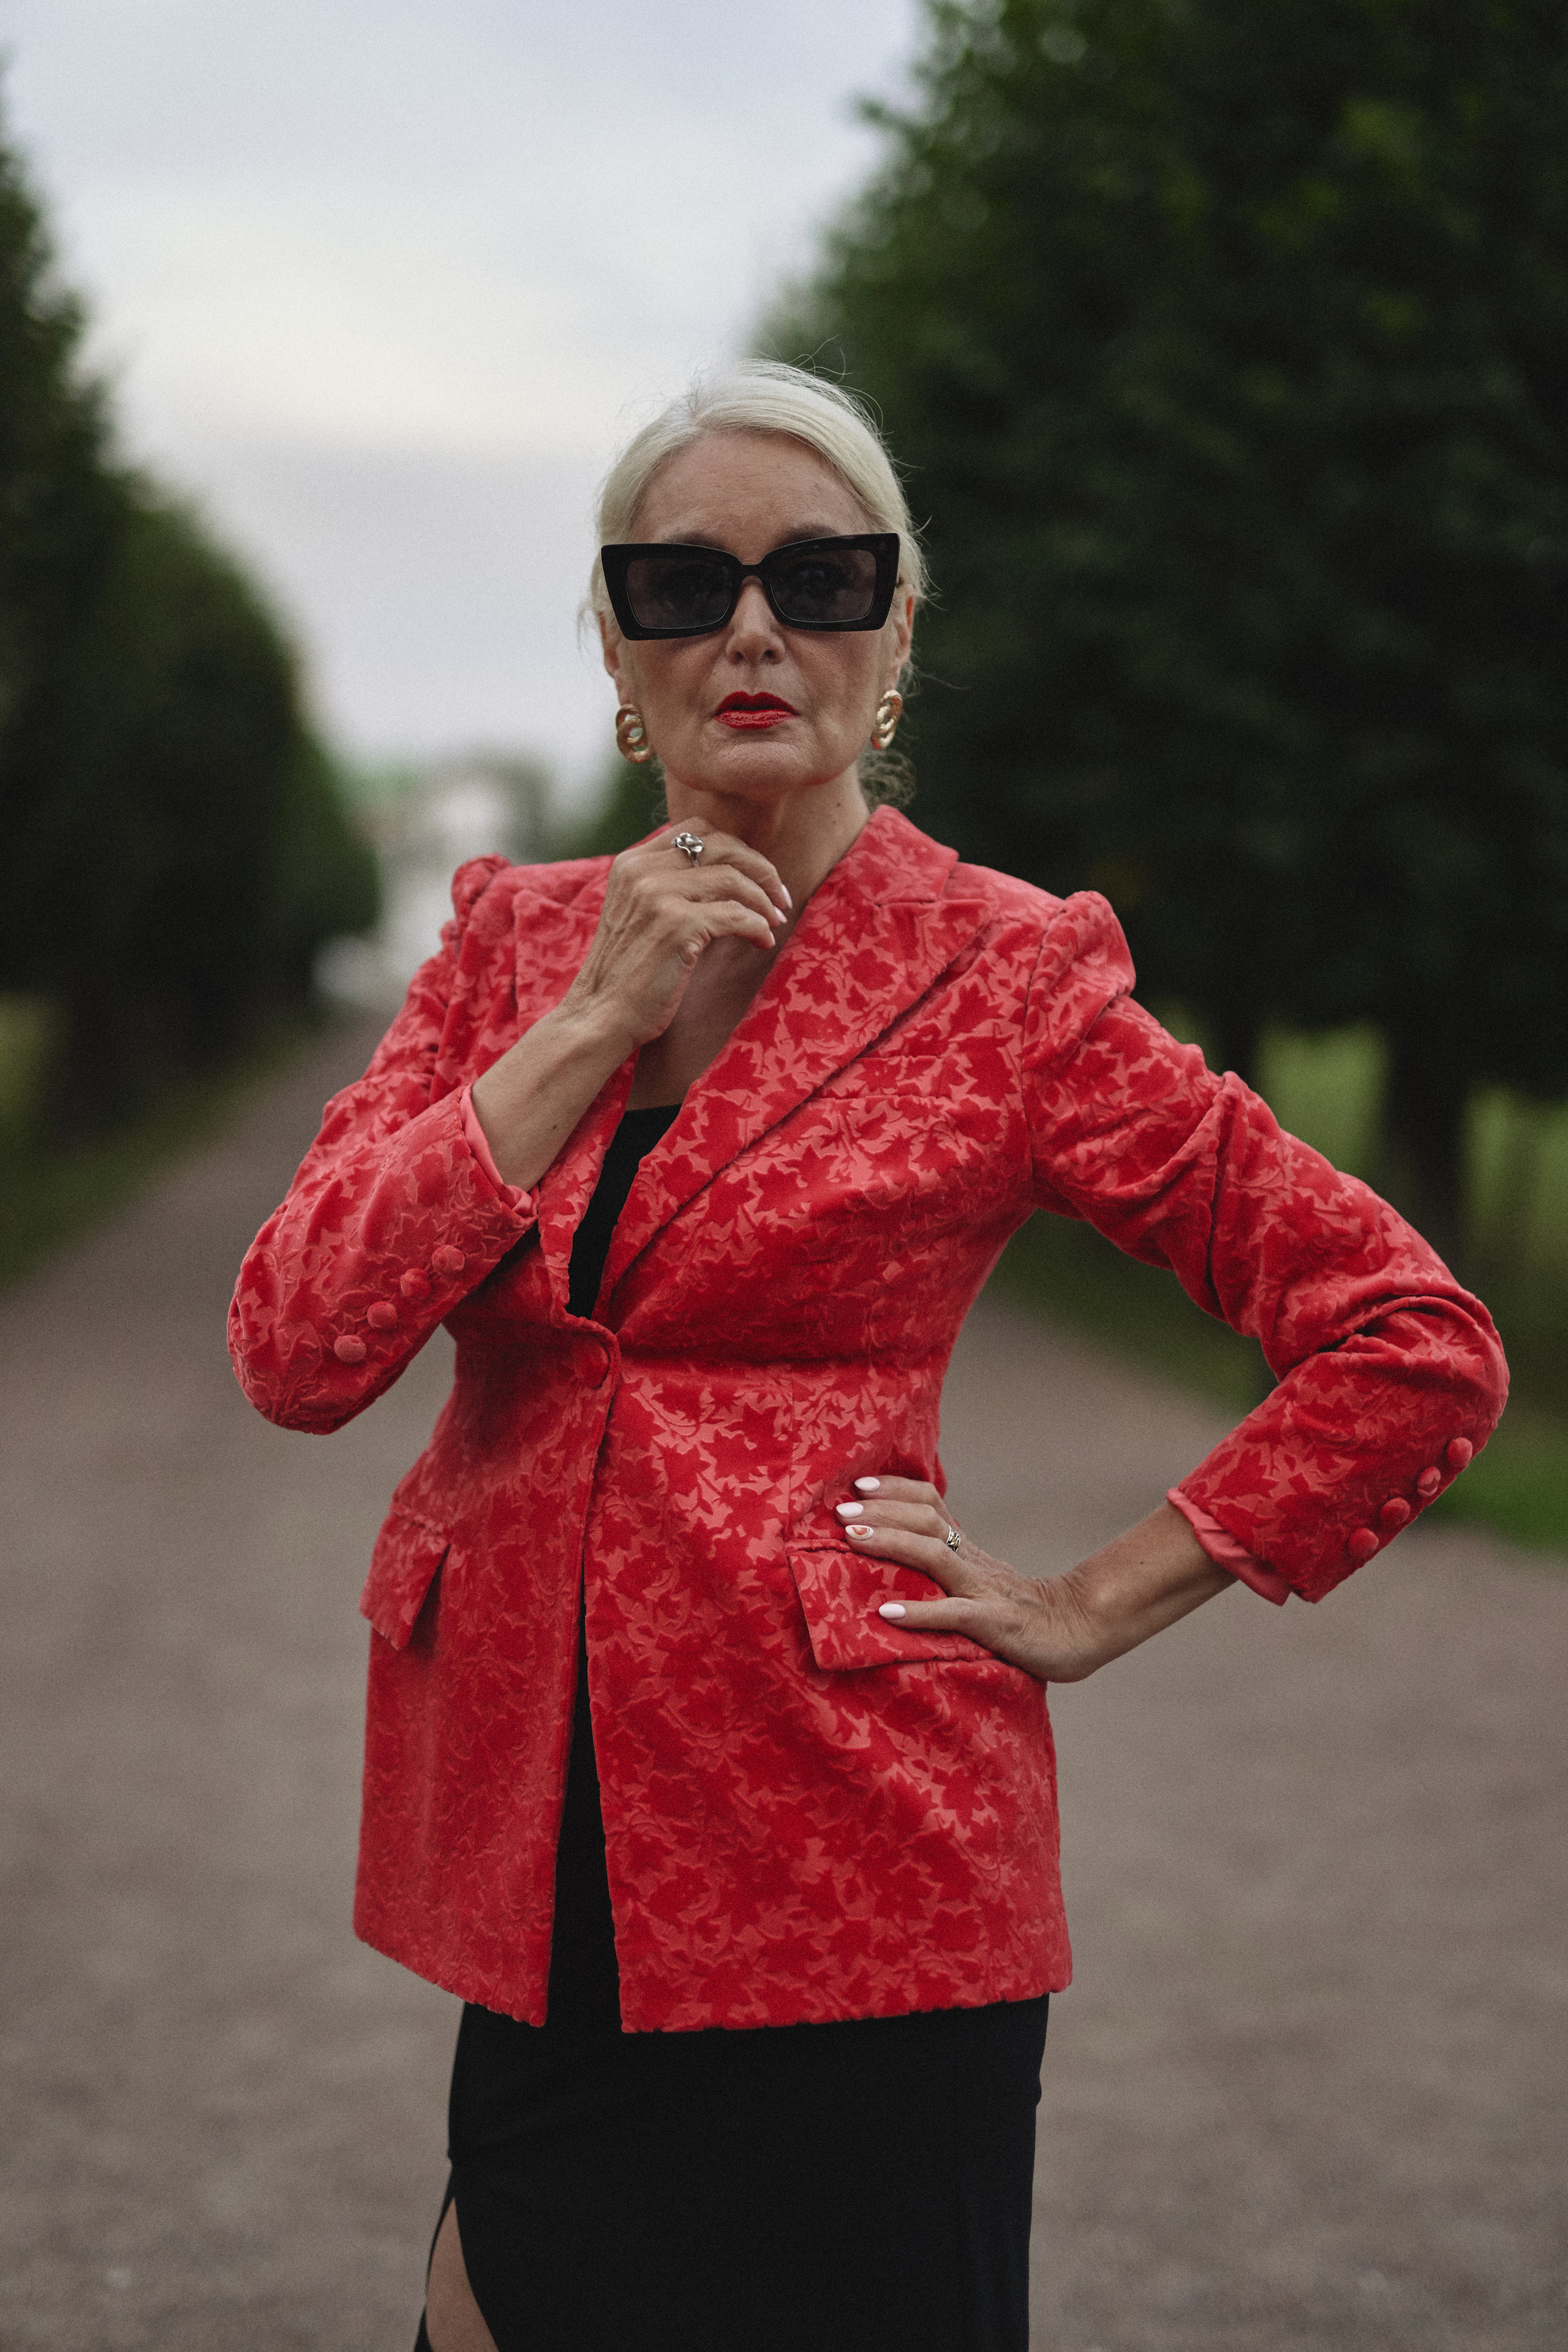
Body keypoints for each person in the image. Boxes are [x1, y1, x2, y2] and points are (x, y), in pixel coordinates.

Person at [228, 362, 1507, 2352]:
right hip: (542, 1858)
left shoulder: (1008, 977)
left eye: (822, 577)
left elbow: (1411, 1339)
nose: (752, 625)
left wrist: (1097, 1598)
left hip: (865, 1861)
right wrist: (578, 1029)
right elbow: (299, 1346)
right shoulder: (506, 944)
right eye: (684, 581)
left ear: (894, 631)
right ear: (615, 642)